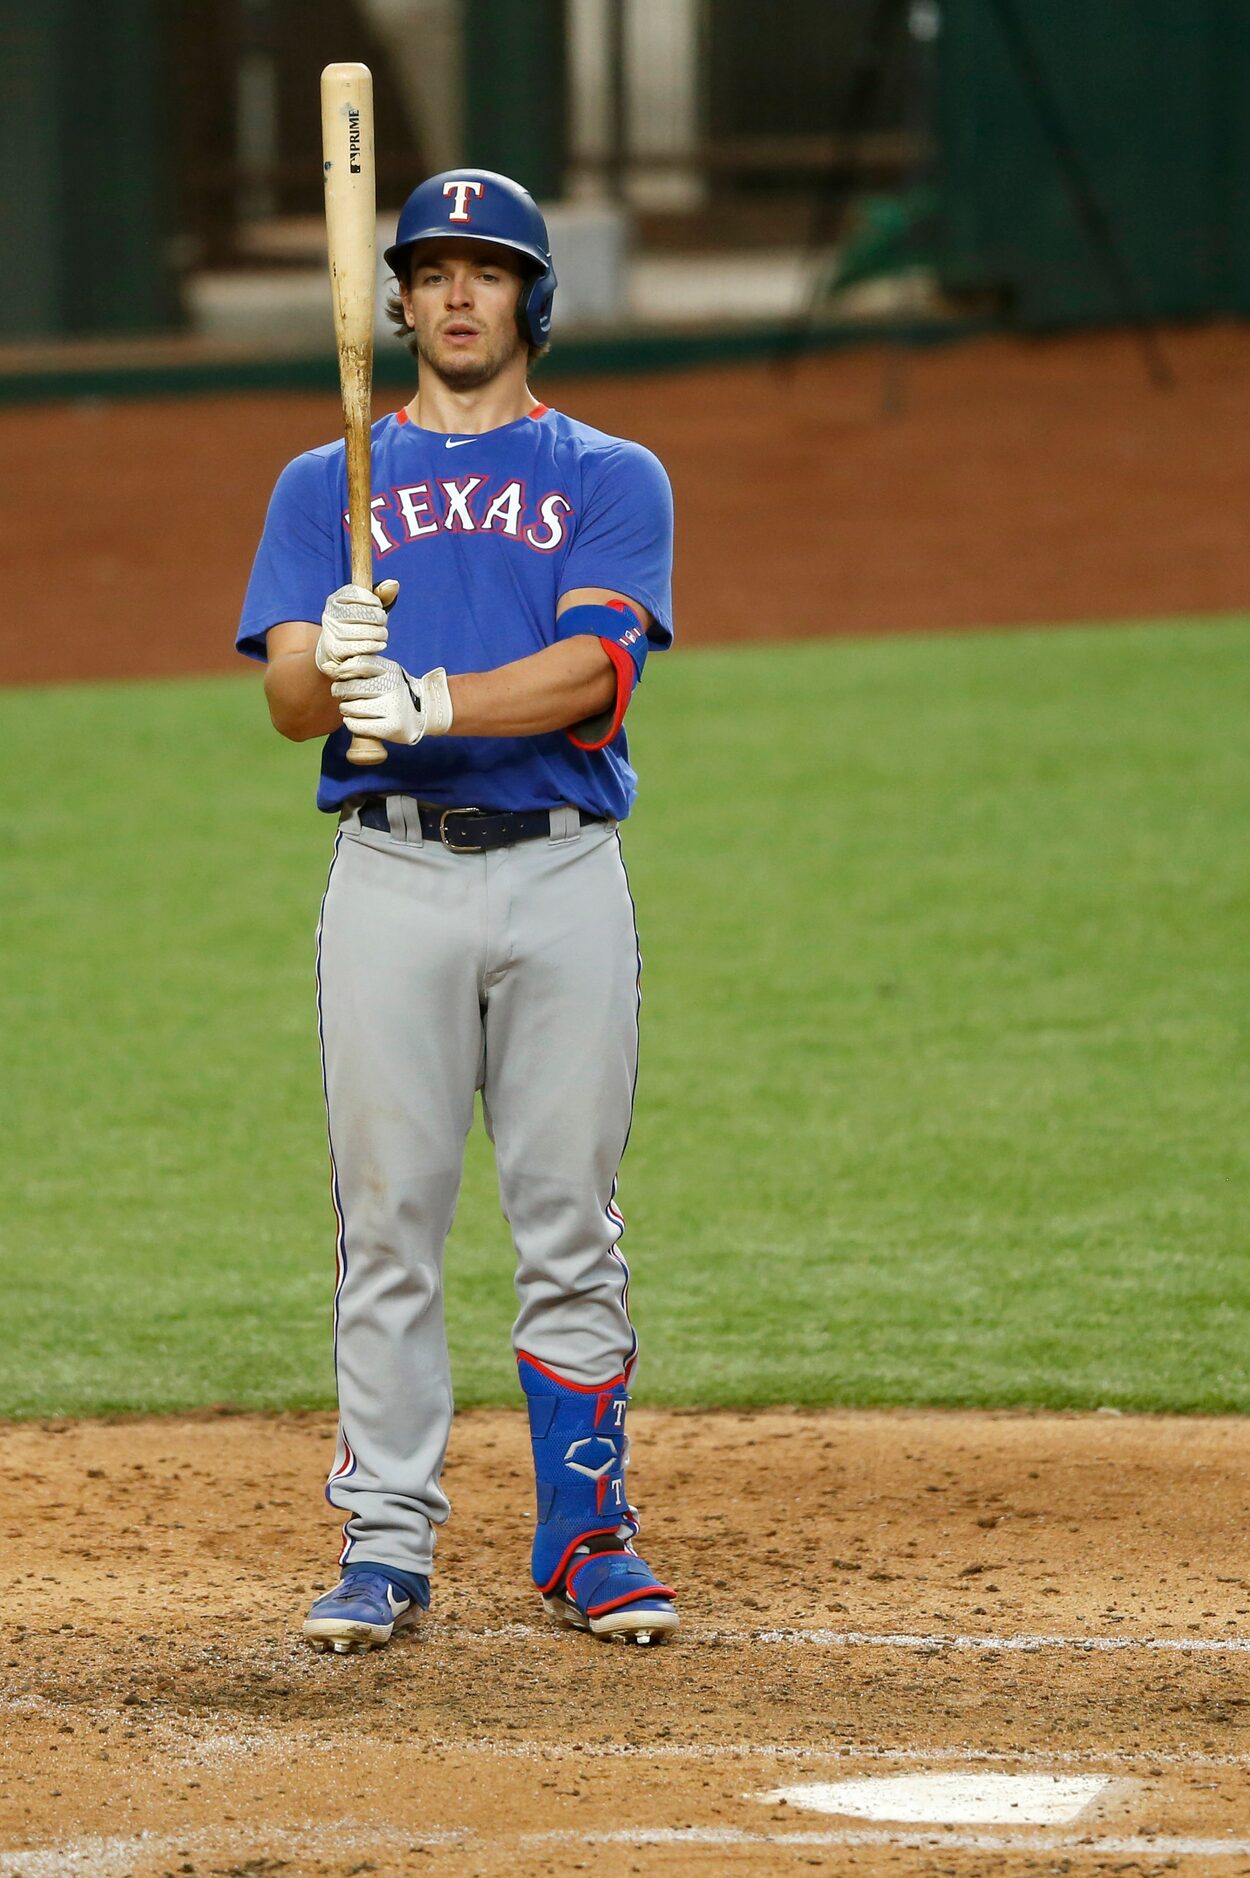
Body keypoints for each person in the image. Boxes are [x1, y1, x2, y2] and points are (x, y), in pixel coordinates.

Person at [237, 169, 678, 1653]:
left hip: (563, 873)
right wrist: (339, 656)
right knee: (391, 1218)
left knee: (568, 1214)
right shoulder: (327, 484)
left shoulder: (612, 474)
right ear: (403, 302)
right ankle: (385, 1539)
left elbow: (597, 674)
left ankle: (586, 1535)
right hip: (392, 879)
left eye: (488, 271)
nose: (459, 296)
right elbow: (296, 700)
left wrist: (427, 698)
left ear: (528, 299)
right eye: (432, 272)